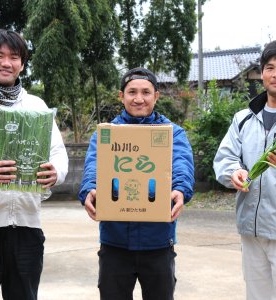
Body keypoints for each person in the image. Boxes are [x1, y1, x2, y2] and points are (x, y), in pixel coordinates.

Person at [79, 67, 194, 300]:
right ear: (121, 96)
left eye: (146, 92)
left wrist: (180, 190)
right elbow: (94, 165)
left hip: (159, 240)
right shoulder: (106, 134)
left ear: (156, 96)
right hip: (115, 240)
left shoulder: (173, 133)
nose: (139, 99)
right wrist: (89, 188)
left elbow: (181, 164)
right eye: (132, 92)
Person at [0, 29, 68, 299]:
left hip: (26, 228)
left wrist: (55, 173)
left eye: (14, 57)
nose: (6, 63)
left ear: (22, 63)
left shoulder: (36, 105)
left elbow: (58, 151)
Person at [213, 39, 276, 300]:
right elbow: (225, 158)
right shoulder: (243, 118)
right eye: (270, 67)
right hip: (251, 231)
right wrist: (233, 172)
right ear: (262, 73)